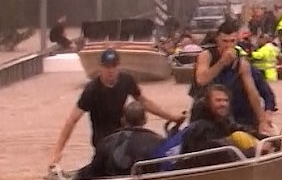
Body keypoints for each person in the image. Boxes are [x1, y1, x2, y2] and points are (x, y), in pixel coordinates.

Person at [48, 48, 185, 166]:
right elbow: (72, 120)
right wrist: (57, 152)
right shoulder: (92, 90)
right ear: (101, 67)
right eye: (107, 66)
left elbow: (144, 102)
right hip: (102, 142)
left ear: (118, 66)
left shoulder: (126, 80)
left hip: (123, 138)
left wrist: (172, 117)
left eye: (114, 66)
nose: (111, 70)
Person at [191, 20, 272, 135]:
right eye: (224, 41)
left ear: (237, 41)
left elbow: (252, 93)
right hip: (206, 112)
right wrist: (221, 62)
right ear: (217, 40)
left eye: (232, 41)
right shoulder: (206, 56)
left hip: (232, 113)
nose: (228, 45)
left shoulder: (242, 63)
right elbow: (201, 80)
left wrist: (262, 120)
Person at [179, 85, 272, 168]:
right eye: (218, 100)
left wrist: (267, 139)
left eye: (226, 100)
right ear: (208, 103)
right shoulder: (200, 128)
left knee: (239, 135)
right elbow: (218, 154)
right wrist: (256, 151)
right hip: (198, 175)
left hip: (216, 172)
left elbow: (239, 128)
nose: (223, 104)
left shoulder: (220, 120)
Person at [71, 101, 164, 180]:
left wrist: (78, 175)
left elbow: (94, 170)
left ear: (123, 120)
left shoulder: (106, 143)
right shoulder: (159, 142)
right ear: (145, 120)